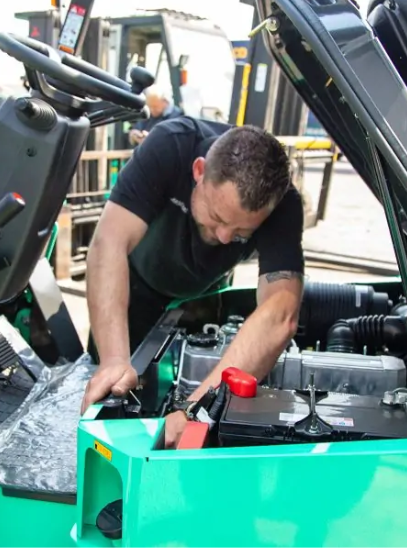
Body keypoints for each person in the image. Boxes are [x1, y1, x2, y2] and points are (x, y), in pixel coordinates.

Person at [80, 116, 305, 447]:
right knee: (110, 398)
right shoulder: (170, 146)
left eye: (244, 232)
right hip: (133, 289)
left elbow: (280, 313)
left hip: (202, 298)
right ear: (199, 171)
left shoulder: (283, 203)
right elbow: (108, 243)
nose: (226, 238)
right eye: (217, 218)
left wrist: (193, 411)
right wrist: (114, 360)